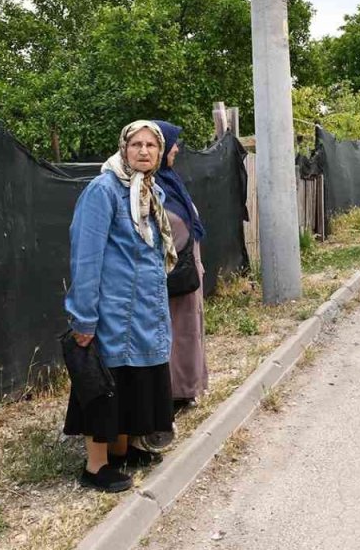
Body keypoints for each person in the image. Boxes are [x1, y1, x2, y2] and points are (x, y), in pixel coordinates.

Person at [63, 120, 178, 493]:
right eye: (136, 144)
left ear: (159, 153)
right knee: (105, 384)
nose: (143, 151)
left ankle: (123, 448)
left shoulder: (150, 189)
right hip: (111, 311)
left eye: (151, 146)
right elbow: (86, 256)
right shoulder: (104, 190)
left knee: (135, 379)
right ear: (123, 148)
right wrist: (84, 316)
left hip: (144, 309)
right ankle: (96, 466)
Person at [153, 120, 208, 411]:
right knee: (173, 330)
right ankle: (174, 391)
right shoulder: (150, 187)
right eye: (172, 143)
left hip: (187, 268)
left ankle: (189, 386)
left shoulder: (171, 181)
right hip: (169, 272)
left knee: (190, 328)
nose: (175, 149)